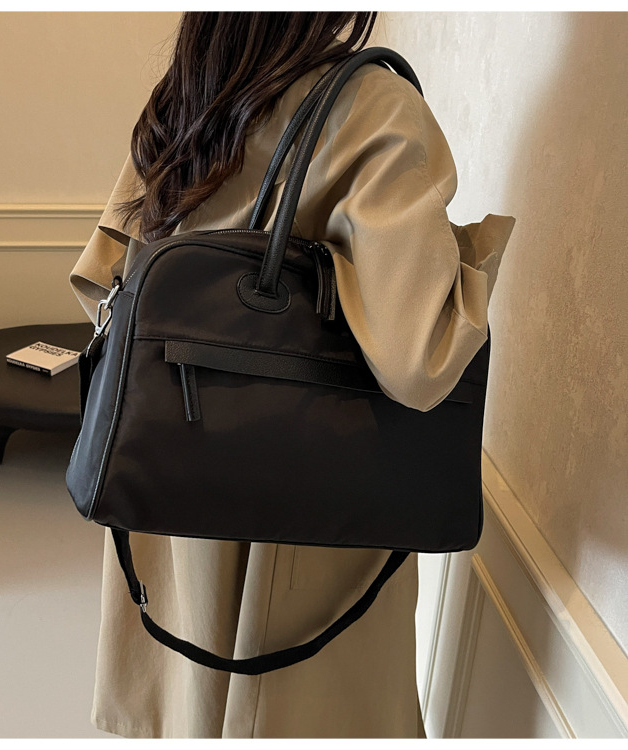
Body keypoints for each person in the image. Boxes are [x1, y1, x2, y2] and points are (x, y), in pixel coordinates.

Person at [69, 11, 515, 739]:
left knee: (187, 697)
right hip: (308, 512)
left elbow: (105, 284)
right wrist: (473, 255)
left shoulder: (188, 91)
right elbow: (420, 362)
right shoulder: (373, 105)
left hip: (173, 474)